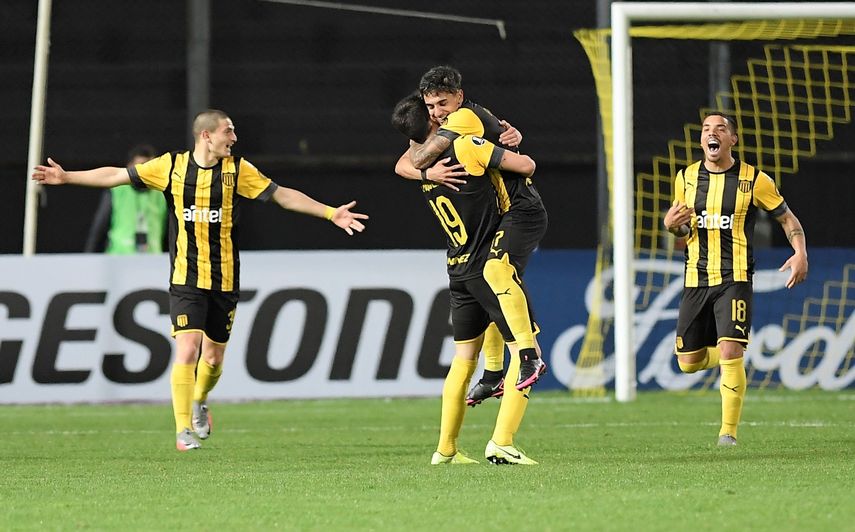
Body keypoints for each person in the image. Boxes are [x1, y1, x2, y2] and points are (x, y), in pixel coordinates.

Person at [33, 109, 369, 452]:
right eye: (229, 131)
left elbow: (282, 195)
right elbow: (117, 175)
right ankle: (182, 431)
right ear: (206, 135)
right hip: (185, 278)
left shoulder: (238, 171)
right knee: (188, 349)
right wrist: (68, 177)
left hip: (224, 279)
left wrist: (331, 212)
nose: (234, 138)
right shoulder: (170, 167)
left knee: (212, 359)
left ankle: (199, 399)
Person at [393, 93, 539, 465]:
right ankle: (503, 441)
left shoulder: (419, 165)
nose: (439, 113)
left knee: (462, 360)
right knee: (525, 348)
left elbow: (404, 163)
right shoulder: (464, 147)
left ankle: (445, 449)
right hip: (484, 265)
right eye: (432, 111)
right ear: (434, 126)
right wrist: (509, 138)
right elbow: (524, 166)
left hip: (457, 267)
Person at [663, 112, 808, 446]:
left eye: (720, 129)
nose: (712, 134)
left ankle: (727, 432)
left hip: (736, 277)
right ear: (701, 140)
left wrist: (800, 252)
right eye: (706, 129)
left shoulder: (754, 179)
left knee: (729, 352)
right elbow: (682, 235)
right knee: (688, 363)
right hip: (696, 278)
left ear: (732, 139)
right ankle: (733, 355)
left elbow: (787, 219)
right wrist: (672, 225)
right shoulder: (686, 178)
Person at [84, 144, 167, 254]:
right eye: (141, 167)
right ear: (129, 167)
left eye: (150, 168)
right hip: (119, 259)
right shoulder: (116, 191)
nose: (145, 173)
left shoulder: (162, 193)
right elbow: (99, 228)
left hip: (153, 261)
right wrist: (88, 258)